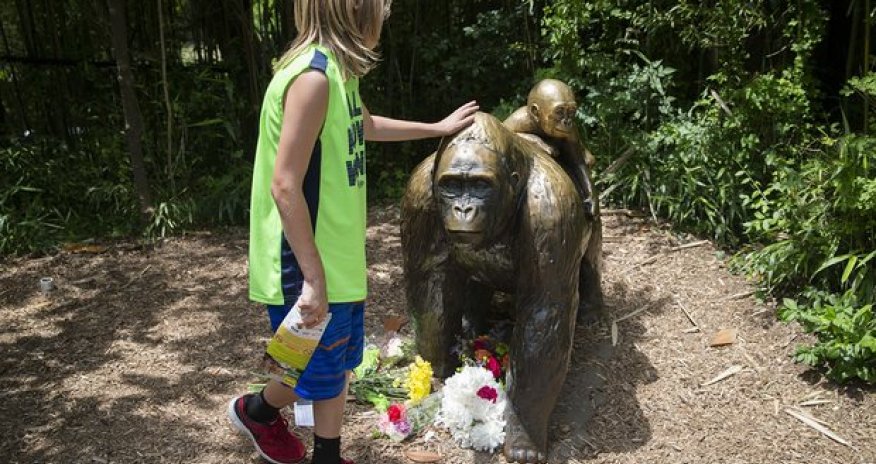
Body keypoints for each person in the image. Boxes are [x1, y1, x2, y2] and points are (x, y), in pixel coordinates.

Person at [226, 1, 478, 464]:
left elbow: (364, 125)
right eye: (380, 4)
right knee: (312, 366)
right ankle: (265, 417)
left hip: (337, 254)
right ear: (354, 10)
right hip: (303, 258)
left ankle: (268, 418)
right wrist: (313, 278)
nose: (387, 10)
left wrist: (437, 128)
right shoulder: (313, 79)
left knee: (335, 364)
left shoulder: (340, 74)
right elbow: (284, 184)